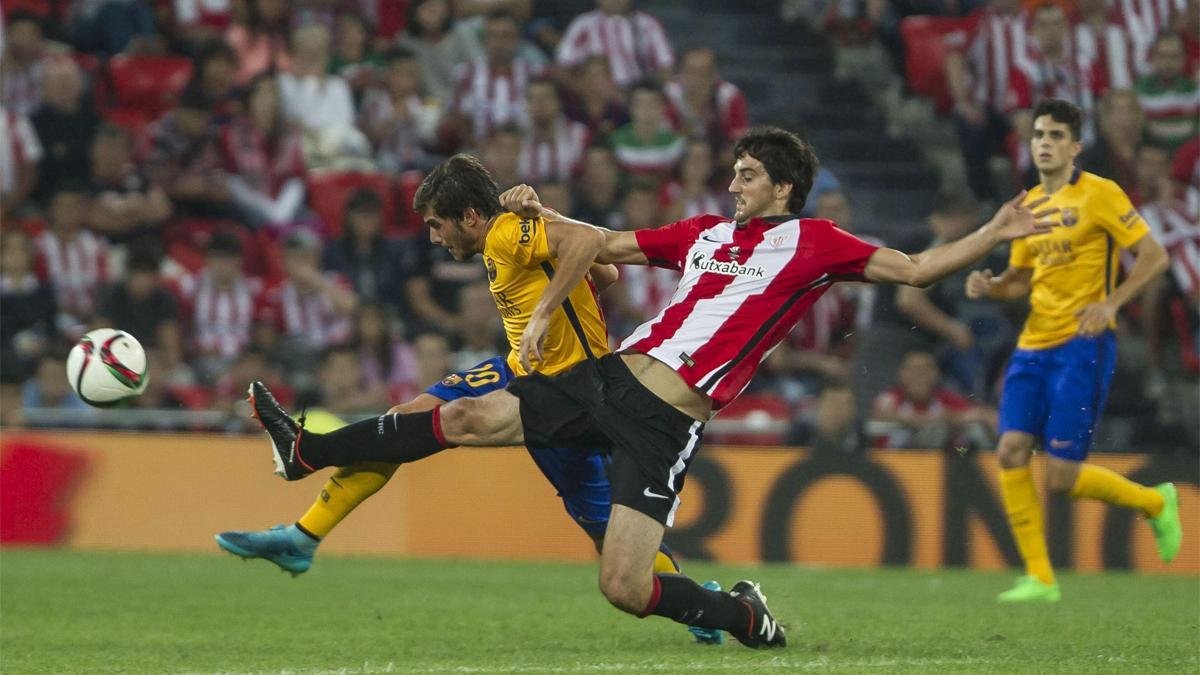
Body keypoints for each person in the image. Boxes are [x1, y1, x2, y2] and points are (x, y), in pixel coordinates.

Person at [245, 125, 1060, 648]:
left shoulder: (814, 242)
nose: (733, 185)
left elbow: (915, 270)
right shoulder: (702, 234)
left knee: (625, 586)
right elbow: (601, 244)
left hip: (663, 425)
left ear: (780, 188)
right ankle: (308, 448)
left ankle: (743, 615)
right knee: (457, 414)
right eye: (734, 173)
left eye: (746, 176)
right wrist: (538, 211)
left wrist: (992, 231)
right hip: (605, 381)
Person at [220, 154, 723, 645]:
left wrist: (546, 304)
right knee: (406, 419)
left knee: (603, 533)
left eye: (438, 226)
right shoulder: (505, 234)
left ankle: (699, 602)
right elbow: (603, 269)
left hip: (567, 391)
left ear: (471, 216)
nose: (434, 239)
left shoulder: (505, 234)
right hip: (518, 369)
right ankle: (304, 535)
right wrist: (547, 218)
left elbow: (592, 246)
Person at [964, 99, 1181, 603]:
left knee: (1061, 477)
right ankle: (1039, 577)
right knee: (1010, 450)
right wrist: (990, 286)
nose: (1044, 142)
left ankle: (1154, 502)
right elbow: (1018, 281)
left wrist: (1112, 304)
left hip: (1082, 346)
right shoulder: (1028, 206)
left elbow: (1155, 256)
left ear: (1075, 146)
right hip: (1033, 345)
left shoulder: (1101, 194)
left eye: (1056, 135)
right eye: (1039, 134)